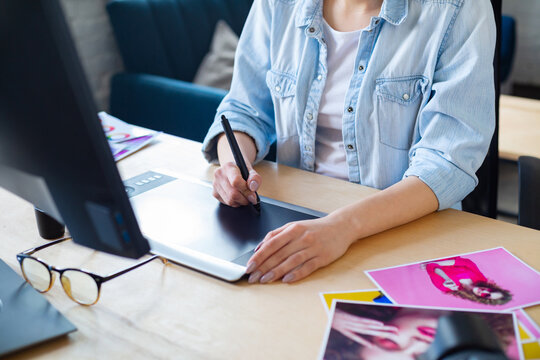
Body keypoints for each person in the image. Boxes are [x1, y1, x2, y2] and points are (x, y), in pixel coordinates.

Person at [202, 0, 496, 284]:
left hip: (402, 230)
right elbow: (243, 110)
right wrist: (232, 166)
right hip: (293, 222)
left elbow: (447, 163)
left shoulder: (459, 7)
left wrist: (342, 227)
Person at [422, 257, 512, 305]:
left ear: (483, 298)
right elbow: (467, 262)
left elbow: (430, 268)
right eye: (491, 290)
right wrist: (438, 263)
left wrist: (447, 278)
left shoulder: (447, 288)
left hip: (429, 256)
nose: (484, 291)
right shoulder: (481, 279)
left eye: (487, 295)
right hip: (449, 253)